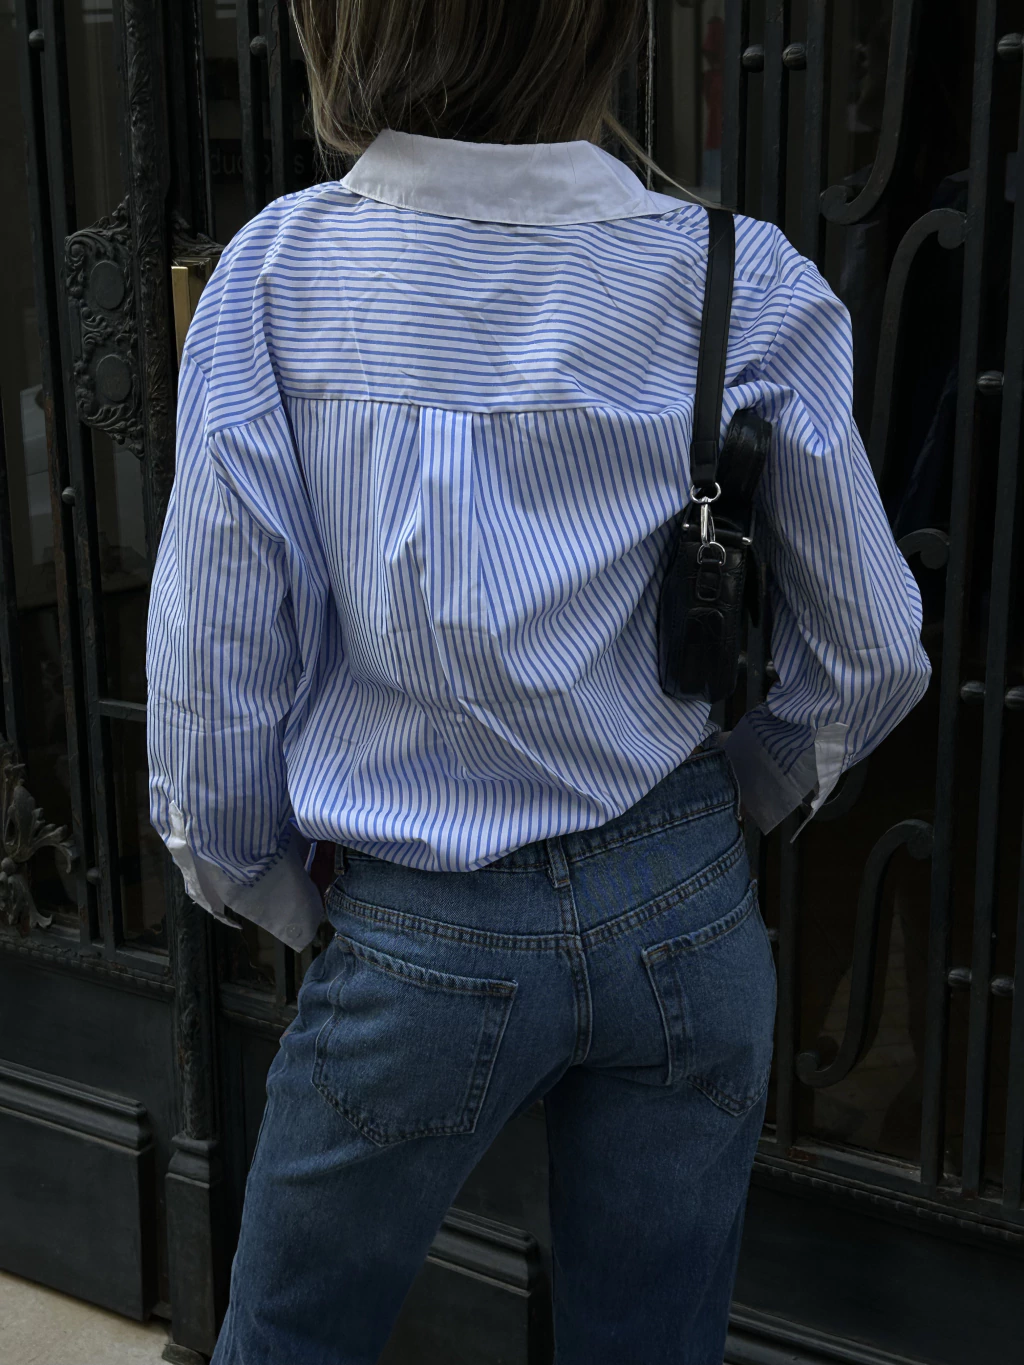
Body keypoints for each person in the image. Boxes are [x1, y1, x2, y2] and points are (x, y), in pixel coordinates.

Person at [145, 2, 932, 1361]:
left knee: (289, 1336)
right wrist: (735, 798)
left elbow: (212, 677)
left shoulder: (278, 278)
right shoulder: (734, 276)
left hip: (422, 916)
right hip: (684, 905)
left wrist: (267, 886)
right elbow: (872, 650)